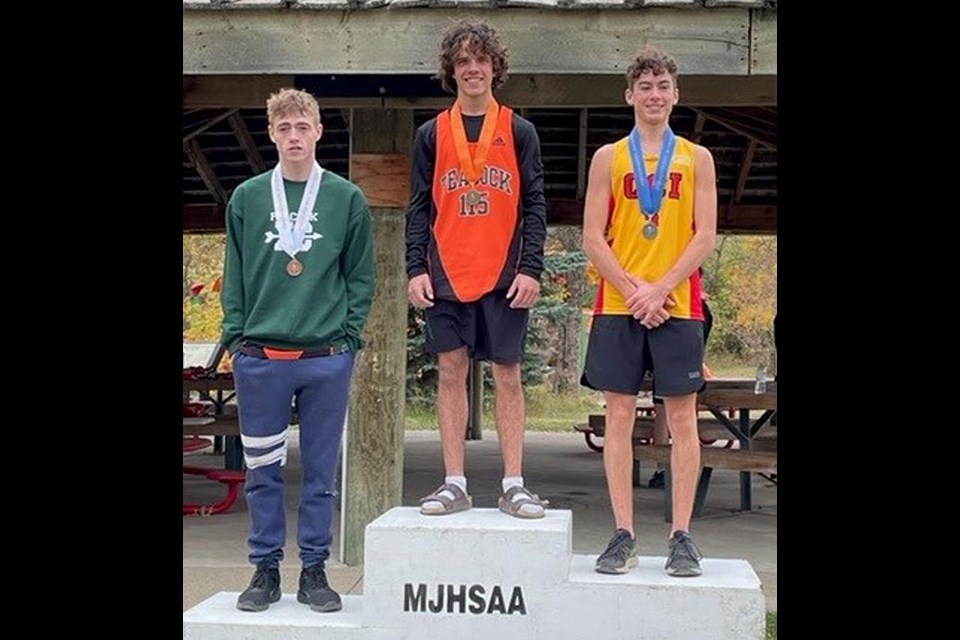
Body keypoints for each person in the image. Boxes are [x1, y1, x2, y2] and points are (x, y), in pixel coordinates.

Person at [220, 88, 375, 613]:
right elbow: (234, 275)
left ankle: (314, 568)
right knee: (262, 469)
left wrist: (348, 339)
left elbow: (360, 276)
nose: (293, 136)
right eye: (284, 127)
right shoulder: (246, 198)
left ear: (318, 131)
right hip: (262, 357)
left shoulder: (345, 198)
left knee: (320, 471)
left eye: (302, 126)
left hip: (325, 357)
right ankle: (264, 569)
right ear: (271, 133)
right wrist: (238, 337)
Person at [580, 46, 717, 577]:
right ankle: (623, 535)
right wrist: (637, 290)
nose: (654, 95)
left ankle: (682, 535)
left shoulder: (696, 158)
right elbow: (593, 237)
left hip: (678, 304)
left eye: (663, 86)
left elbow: (704, 235)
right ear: (630, 95)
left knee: (682, 419)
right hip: (618, 303)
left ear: (675, 95)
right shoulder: (608, 158)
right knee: (619, 417)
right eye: (645, 87)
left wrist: (660, 289)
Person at [406, 19, 548, 519]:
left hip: (505, 273)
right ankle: (453, 483)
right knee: (450, 370)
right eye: (463, 61)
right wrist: (413, 269)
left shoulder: (519, 130)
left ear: (495, 67)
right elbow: (419, 206)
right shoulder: (431, 133)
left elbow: (535, 205)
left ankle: (513, 483)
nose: (472, 69)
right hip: (445, 272)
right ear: (452, 70)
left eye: (480, 60)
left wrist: (531, 268)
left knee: (508, 373)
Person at [648, 278, 713, 489]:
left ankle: (670, 469)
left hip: (681, 320)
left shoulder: (699, 308)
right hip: (673, 318)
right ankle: (663, 467)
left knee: (677, 413)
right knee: (671, 411)